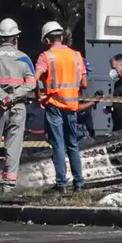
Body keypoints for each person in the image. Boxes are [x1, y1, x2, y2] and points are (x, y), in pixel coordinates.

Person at [0, 18, 36, 192]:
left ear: (0, 38)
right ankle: (9, 186)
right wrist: (13, 96)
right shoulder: (25, 59)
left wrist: (2, 96)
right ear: (16, 38)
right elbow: (31, 83)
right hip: (17, 107)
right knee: (14, 147)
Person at [34, 21, 88, 193]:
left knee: (58, 144)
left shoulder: (46, 56)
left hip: (55, 106)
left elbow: (35, 78)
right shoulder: (76, 55)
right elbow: (84, 84)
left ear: (47, 40)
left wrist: (39, 96)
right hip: (72, 105)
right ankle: (79, 183)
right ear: (62, 37)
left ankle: (61, 184)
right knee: (73, 144)